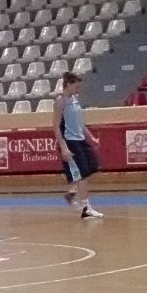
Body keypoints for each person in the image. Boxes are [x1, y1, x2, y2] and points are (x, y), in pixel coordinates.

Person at [54, 72, 104, 219]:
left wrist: (91, 138)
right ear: (68, 84)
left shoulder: (75, 100)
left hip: (80, 140)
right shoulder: (60, 101)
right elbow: (56, 126)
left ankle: (73, 191)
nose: (78, 89)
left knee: (92, 168)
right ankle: (86, 208)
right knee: (82, 175)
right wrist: (63, 147)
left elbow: (80, 124)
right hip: (70, 142)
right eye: (76, 86)